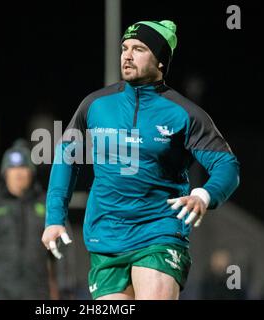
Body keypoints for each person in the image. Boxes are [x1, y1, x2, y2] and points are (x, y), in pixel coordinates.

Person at [41, 19, 240, 300]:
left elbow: (227, 165)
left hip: (159, 229)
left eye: (139, 48)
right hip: (106, 234)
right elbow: (65, 157)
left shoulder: (184, 113)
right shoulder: (95, 105)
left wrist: (205, 195)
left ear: (160, 61)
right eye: (124, 48)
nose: (127, 55)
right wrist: (54, 218)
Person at [0, 139, 71, 299]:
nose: (18, 173)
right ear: (5, 173)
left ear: (31, 172)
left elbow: (64, 249)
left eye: (23, 167)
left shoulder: (47, 207)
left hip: (36, 294)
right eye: (12, 168)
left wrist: (65, 288)